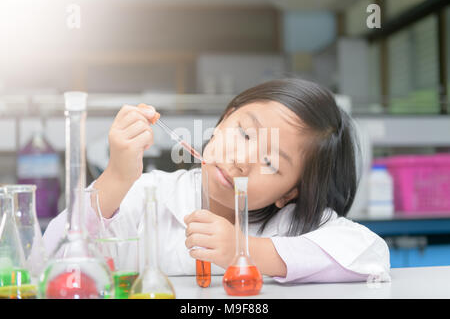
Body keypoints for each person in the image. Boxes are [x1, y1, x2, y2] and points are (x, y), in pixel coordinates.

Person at [43, 78, 390, 284]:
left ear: (290, 192)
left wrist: (245, 251)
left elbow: (371, 255)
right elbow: (47, 260)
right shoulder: (150, 194)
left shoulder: (291, 222)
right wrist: (117, 177)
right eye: (244, 133)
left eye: (270, 161)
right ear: (224, 119)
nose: (242, 159)